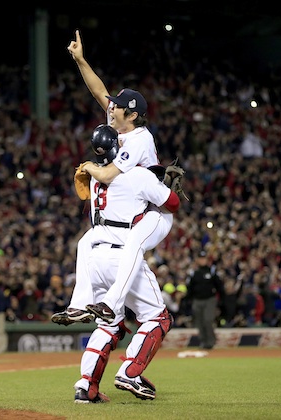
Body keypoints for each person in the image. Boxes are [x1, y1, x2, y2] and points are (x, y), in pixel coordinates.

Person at [52, 29, 174, 326]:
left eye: (118, 106)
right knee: (85, 242)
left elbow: (106, 173)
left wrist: (87, 166)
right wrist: (80, 60)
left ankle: (110, 304)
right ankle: (79, 306)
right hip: (136, 206)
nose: (112, 107)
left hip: (155, 212)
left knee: (132, 244)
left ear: (132, 115)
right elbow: (97, 90)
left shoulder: (138, 141)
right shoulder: (121, 124)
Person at [73, 125, 180, 403]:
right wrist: (163, 186)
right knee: (158, 317)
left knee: (108, 323)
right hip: (123, 254)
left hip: (94, 254)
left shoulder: (95, 176)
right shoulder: (137, 174)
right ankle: (130, 371)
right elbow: (173, 202)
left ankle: (86, 385)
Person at [186, 250, 224, 350]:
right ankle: (203, 342)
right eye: (201, 258)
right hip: (197, 300)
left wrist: (220, 302)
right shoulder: (194, 273)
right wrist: (189, 301)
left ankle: (211, 342)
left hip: (209, 300)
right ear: (197, 260)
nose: (202, 260)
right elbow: (190, 288)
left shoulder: (212, 271)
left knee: (208, 320)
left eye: (204, 258)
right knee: (199, 322)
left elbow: (219, 286)